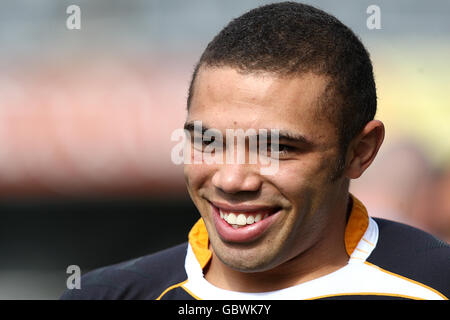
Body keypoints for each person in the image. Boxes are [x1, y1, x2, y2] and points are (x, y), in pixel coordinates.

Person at [61, 2, 449, 300]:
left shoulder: (435, 283)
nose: (232, 179)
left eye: (278, 148)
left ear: (360, 152)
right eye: (208, 142)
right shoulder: (108, 294)